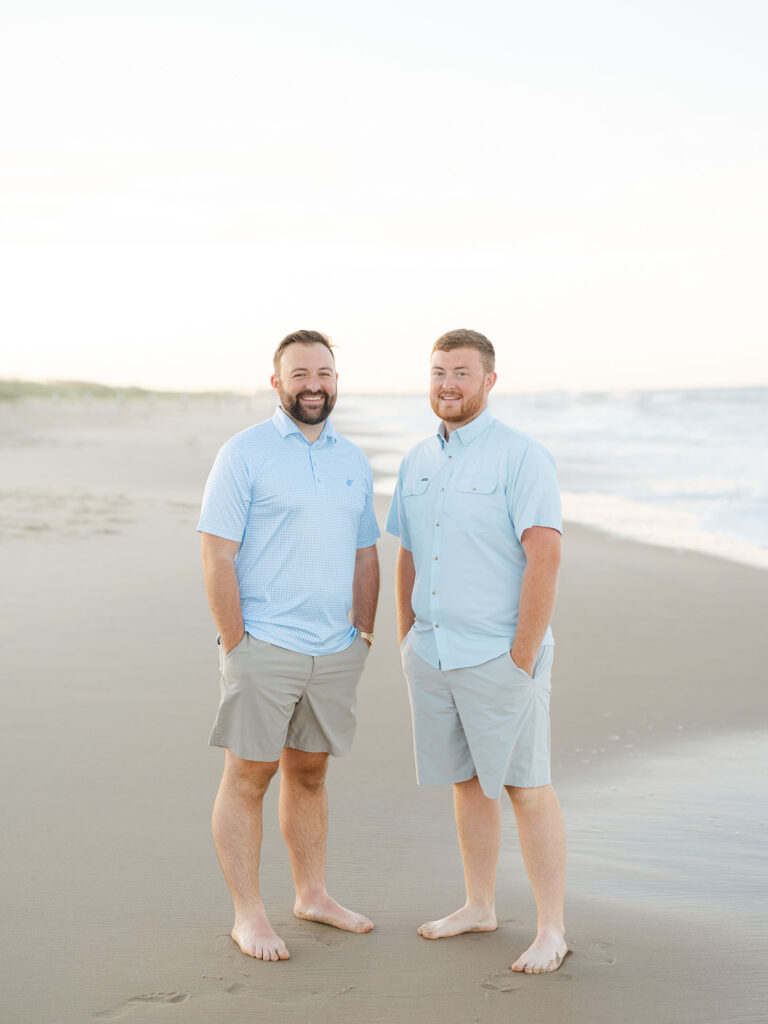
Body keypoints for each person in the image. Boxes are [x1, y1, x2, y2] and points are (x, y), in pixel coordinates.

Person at [386, 329, 567, 974]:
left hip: (499, 655)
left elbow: (544, 555)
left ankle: (551, 929)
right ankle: (479, 905)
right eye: (438, 372)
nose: (448, 385)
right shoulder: (416, 460)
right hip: (433, 653)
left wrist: (521, 656)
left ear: (489, 380)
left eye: (461, 373)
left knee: (526, 785)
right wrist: (408, 634)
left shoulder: (522, 457)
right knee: (466, 782)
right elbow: (406, 552)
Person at [198, 330, 380, 962]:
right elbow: (217, 553)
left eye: (324, 373)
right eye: (300, 373)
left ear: (337, 380)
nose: (313, 384)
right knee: (250, 774)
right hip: (264, 643)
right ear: (277, 382)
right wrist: (236, 642)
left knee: (309, 771)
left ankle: (313, 895)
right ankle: (248, 916)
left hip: (335, 649)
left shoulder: (353, 459)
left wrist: (364, 632)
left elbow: (365, 550)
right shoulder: (243, 453)